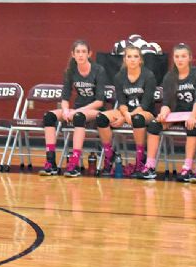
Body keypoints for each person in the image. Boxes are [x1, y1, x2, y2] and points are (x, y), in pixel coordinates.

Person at [39, 39, 108, 177]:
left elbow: (100, 102)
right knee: (49, 116)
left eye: (84, 52)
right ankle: (51, 162)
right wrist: (65, 110)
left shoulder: (98, 70)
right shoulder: (70, 71)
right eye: (78, 52)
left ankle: (74, 164)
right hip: (77, 109)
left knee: (78, 117)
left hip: (95, 110)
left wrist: (77, 111)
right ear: (73, 54)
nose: (81, 55)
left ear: (89, 54)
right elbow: (65, 97)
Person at [135, 43, 196, 182]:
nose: (180, 59)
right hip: (176, 114)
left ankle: (188, 168)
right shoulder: (170, 77)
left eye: (183, 56)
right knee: (154, 125)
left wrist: (193, 116)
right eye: (177, 56)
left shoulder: (194, 74)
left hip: (193, 113)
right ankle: (150, 166)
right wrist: (163, 113)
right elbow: (167, 103)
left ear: (190, 58)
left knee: (193, 126)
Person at [96, 44, 156, 175]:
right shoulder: (119, 77)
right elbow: (122, 102)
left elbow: (145, 104)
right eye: (129, 56)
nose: (132, 59)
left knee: (137, 118)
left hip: (146, 112)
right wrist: (125, 113)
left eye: (136, 56)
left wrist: (124, 117)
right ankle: (109, 155)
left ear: (140, 60)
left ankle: (140, 159)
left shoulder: (148, 76)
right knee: (101, 118)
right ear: (124, 59)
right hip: (126, 111)